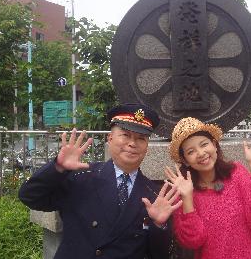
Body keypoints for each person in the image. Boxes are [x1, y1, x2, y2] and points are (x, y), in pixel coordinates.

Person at [19, 103, 182, 259]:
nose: (132, 143)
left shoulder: (153, 193)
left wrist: (159, 226)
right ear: (110, 139)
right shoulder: (81, 176)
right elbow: (30, 197)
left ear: (146, 146)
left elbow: (159, 254)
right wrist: (58, 167)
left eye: (141, 138)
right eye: (125, 135)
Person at [164, 117, 251, 259]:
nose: (201, 153)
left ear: (215, 145)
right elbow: (193, 242)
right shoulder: (184, 191)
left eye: (204, 144)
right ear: (185, 160)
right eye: (191, 151)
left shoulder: (237, 173)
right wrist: (187, 199)